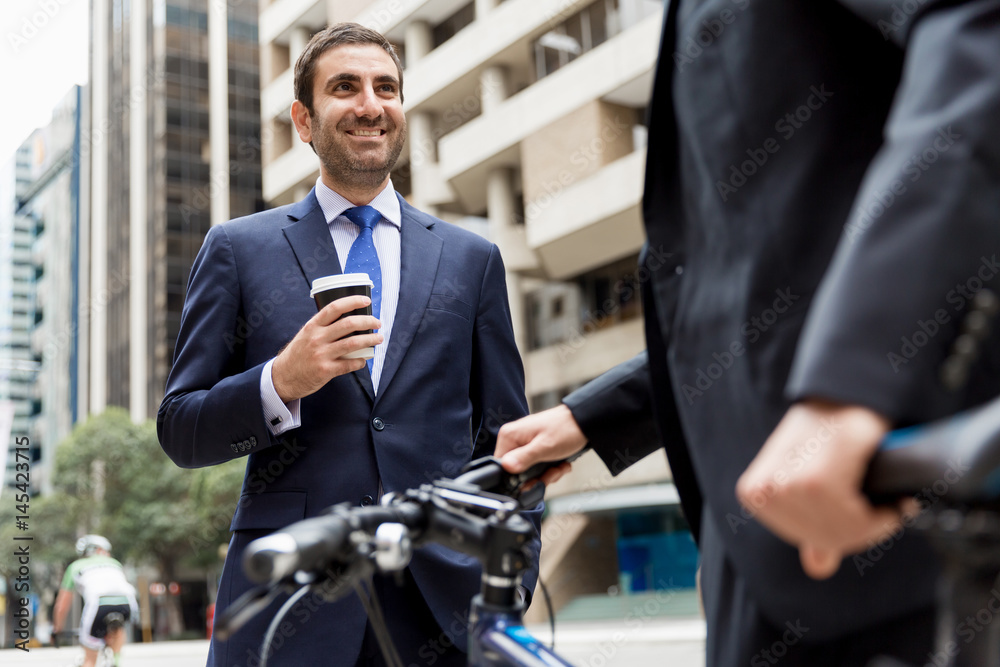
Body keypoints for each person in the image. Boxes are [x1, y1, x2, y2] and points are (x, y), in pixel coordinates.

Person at [496, 0, 1000, 665]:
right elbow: (746, 288)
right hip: (764, 542)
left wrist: (854, 383)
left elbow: (978, 36)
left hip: (884, 524)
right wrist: (590, 416)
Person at [157, 22, 539, 667]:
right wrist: (282, 381)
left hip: (445, 607)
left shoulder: (472, 259)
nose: (370, 104)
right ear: (304, 120)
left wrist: (514, 577)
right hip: (292, 607)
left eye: (385, 88)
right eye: (345, 88)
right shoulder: (238, 249)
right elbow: (180, 429)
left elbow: (507, 443)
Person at [52, 535, 138, 667]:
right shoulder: (115, 563)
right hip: (128, 602)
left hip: (99, 604)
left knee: (90, 659)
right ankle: (116, 659)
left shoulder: (75, 566)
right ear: (100, 550)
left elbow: (61, 605)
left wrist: (57, 629)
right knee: (117, 627)